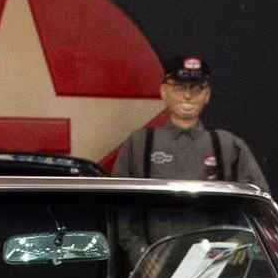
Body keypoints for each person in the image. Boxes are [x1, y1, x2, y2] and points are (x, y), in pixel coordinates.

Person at [113, 55, 269, 192]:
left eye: (196, 88)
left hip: (213, 225)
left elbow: (258, 199)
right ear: (164, 92)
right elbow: (116, 201)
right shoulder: (139, 143)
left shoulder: (227, 146)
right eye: (179, 87)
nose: (187, 95)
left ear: (207, 95)